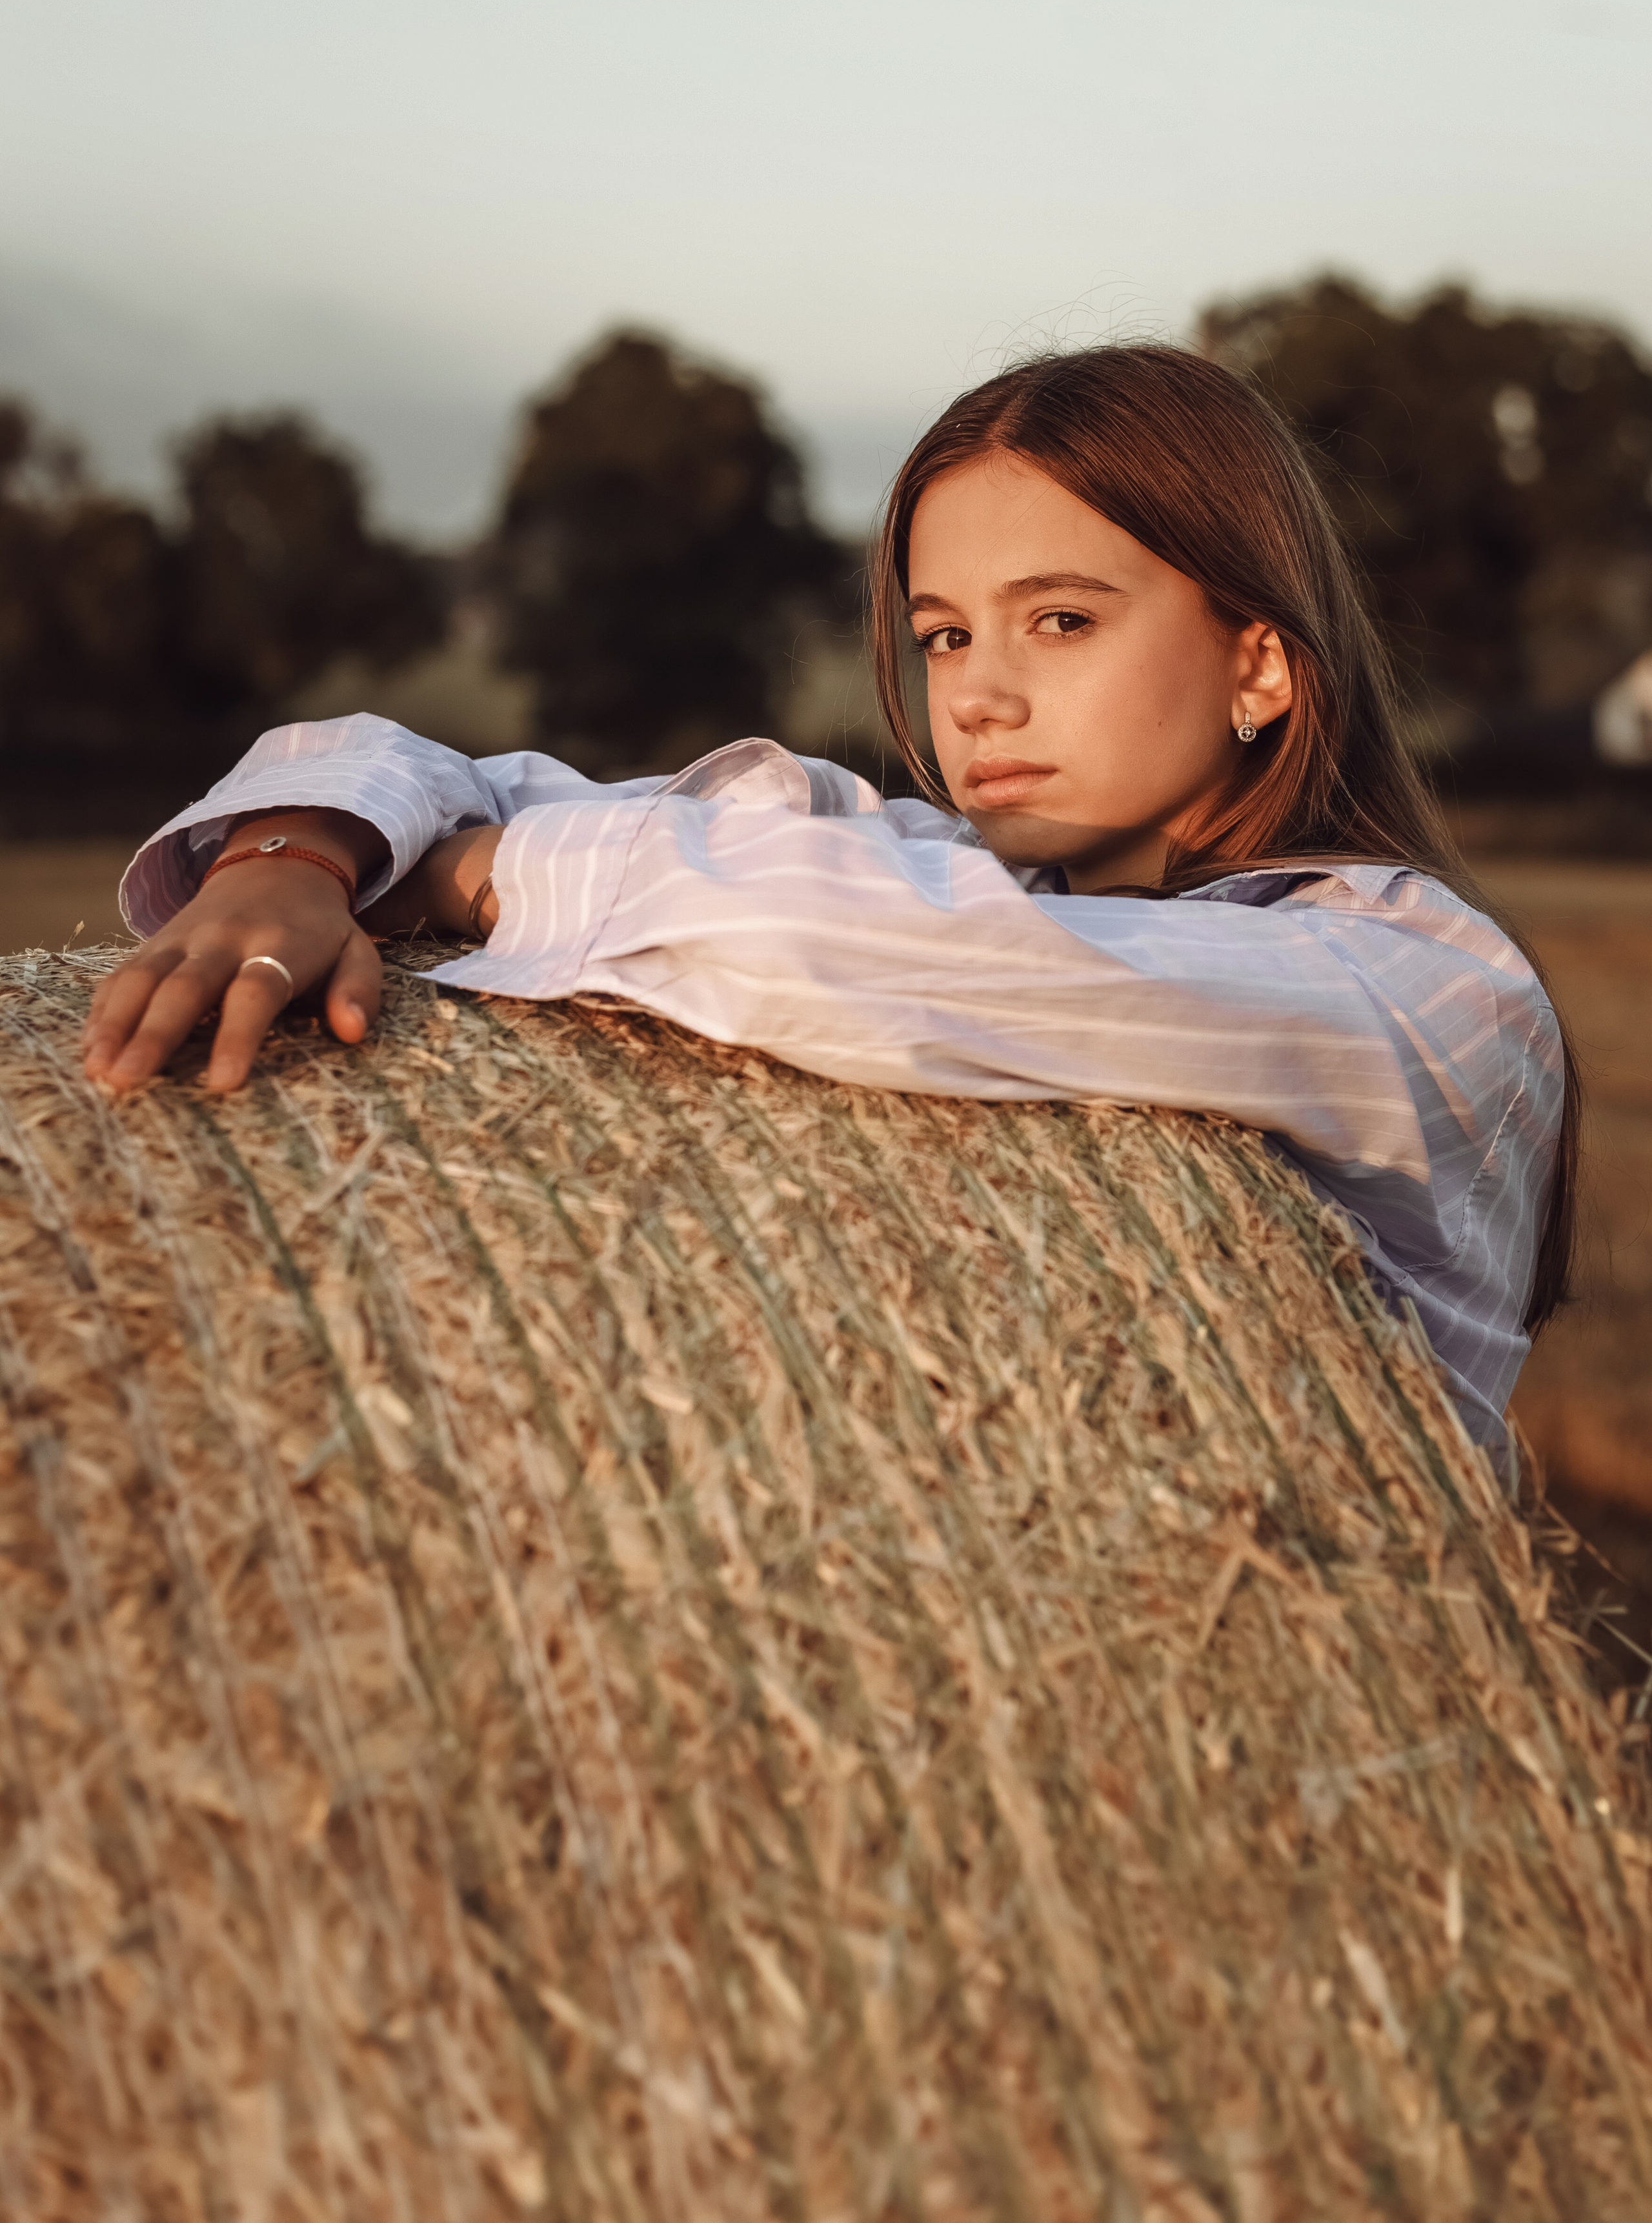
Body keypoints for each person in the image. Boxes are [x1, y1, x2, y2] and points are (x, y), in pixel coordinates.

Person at [82, 346, 1575, 1449]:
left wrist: (460, 879)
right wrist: (297, 854)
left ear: (1258, 662)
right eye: (938, 636)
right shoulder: (960, 869)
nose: (976, 696)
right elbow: (467, 771)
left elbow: (813, 934)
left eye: (1058, 621)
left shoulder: (1417, 985)